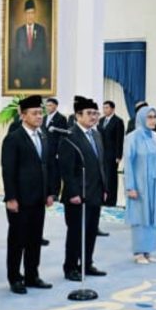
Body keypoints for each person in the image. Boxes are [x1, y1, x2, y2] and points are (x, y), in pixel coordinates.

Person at [1, 95, 56, 294]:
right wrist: (11, 197)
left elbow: (48, 166)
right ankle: (15, 277)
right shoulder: (13, 138)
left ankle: (32, 275)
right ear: (23, 116)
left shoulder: (43, 135)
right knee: (17, 241)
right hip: (20, 199)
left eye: (40, 113)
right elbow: (8, 170)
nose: (39, 116)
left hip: (39, 197)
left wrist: (50, 192)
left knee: (35, 239)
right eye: (34, 113)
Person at [58, 96, 108, 282]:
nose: (94, 117)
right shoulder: (70, 137)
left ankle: (86, 263)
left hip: (95, 191)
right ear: (78, 115)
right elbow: (66, 170)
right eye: (89, 113)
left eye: (96, 113)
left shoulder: (96, 134)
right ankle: (70, 267)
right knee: (76, 232)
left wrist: (104, 187)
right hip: (77, 194)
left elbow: (100, 164)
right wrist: (72, 193)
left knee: (91, 230)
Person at [124, 105, 156, 264]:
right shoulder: (132, 137)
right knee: (140, 216)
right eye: (149, 117)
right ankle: (138, 252)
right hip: (140, 184)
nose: (153, 121)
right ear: (142, 118)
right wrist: (130, 186)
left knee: (153, 215)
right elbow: (128, 163)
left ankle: (148, 250)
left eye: (154, 117)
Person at [11, 0, 50, 90]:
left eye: (32, 13)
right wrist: (16, 77)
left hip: (37, 75)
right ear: (25, 14)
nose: (30, 16)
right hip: (22, 75)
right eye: (28, 13)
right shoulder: (19, 31)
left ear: (35, 14)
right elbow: (16, 55)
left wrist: (44, 75)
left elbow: (44, 53)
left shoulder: (41, 30)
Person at [99, 100, 126, 207]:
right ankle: (102, 199)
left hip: (112, 154)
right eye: (104, 107)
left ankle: (111, 200)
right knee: (102, 176)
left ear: (112, 109)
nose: (105, 110)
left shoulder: (118, 121)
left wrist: (118, 155)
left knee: (111, 178)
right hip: (102, 153)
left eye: (107, 108)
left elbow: (120, 139)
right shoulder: (101, 120)